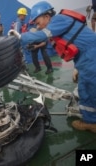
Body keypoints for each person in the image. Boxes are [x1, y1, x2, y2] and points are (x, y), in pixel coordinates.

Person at [10, 1, 96, 132]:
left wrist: (19, 38)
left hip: (91, 58)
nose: (37, 27)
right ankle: (90, 119)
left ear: (46, 16)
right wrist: (77, 68)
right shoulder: (59, 24)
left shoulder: (58, 20)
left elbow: (41, 35)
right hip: (86, 58)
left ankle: (91, 122)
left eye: (38, 22)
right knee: (87, 88)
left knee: (88, 90)